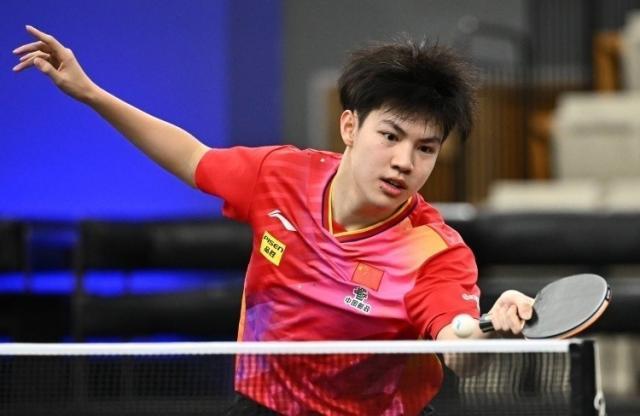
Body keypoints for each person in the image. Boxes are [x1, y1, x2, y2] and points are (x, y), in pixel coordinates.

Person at [13, 25, 534, 415]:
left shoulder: (434, 252)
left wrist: (489, 329)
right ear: (350, 126)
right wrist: (91, 93)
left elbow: (459, 350)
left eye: (426, 148)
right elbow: (192, 157)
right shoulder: (281, 176)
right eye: (390, 136)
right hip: (263, 406)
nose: (404, 162)